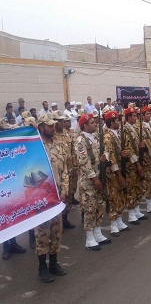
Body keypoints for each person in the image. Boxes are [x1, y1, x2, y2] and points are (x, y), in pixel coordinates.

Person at [35, 114, 69, 282]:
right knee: (42, 233)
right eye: (49, 126)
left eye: (53, 125)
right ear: (41, 127)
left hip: (57, 197)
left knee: (56, 231)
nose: (53, 128)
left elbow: (64, 171)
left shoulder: (58, 145)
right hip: (41, 199)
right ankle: (42, 268)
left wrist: (64, 189)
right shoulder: (35, 147)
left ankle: (53, 264)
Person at [75, 113, 111, 251]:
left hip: (99, 175)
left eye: (96, 122)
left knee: (99, 205)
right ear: (85, 125)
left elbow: (106, 150)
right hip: (88, 180)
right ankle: (89, 238)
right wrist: (94, 178)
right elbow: (83, 162)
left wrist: (105, 156)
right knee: (90, 208)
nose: (96, 124)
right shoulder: (80, 141)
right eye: (92, 123)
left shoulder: (96, 137)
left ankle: (98, 233)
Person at [103, 110, 131, 236]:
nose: (119, 122)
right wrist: (119, 175)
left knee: (120, 195)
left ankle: (119, 220)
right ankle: (114, 224)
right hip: (114, 171)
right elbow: (111, 157)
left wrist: (123, 154)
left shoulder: (118, 133)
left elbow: (118, 152)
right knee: (114, 197)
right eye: (117, 121)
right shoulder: (108, 136)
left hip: (120, 167)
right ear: (111, 122)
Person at [122, 106, 147, 224]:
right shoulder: (125, 130)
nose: (136, 117)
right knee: (131, 188)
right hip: (131, 165)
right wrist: (138, 164)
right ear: (128, 117)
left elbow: (135, 145)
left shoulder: (133, 128)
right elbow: (129, 149)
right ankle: (131, 214)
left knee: (137, 186)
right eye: (134, 116)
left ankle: (137, 210)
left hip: (137, 161)